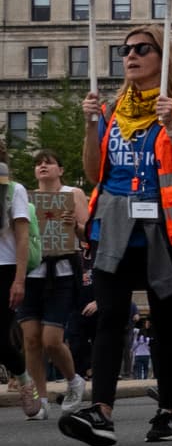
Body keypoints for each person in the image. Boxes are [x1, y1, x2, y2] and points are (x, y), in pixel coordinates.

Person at [62, 25, 172, 446]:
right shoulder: (109, 111)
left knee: (166, 323)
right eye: (126, 49)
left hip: (164, 232)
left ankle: (166, 412)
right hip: (112, 229)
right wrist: (90, 125)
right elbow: (94, 172)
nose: (130, 55)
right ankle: (101, 412)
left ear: (162, 59)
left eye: (142, 48)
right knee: (110, 318)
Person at [16, 149, 89, 420]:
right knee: (31, 339)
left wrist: (76, 226)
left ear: (60, 169)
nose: (42, 166)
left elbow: (88, 232)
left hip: (61, 273)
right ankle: (41, 399)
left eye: (48, 162)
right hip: (31, 273)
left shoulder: (74, 194)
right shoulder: (25, 196)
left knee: (51, 340)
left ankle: (73, 380)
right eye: (38, 164)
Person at [1, 149, 38, 418]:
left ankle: (24, 379)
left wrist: (19, 280)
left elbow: (23, 237)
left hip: (5, 268)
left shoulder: (14, 190)